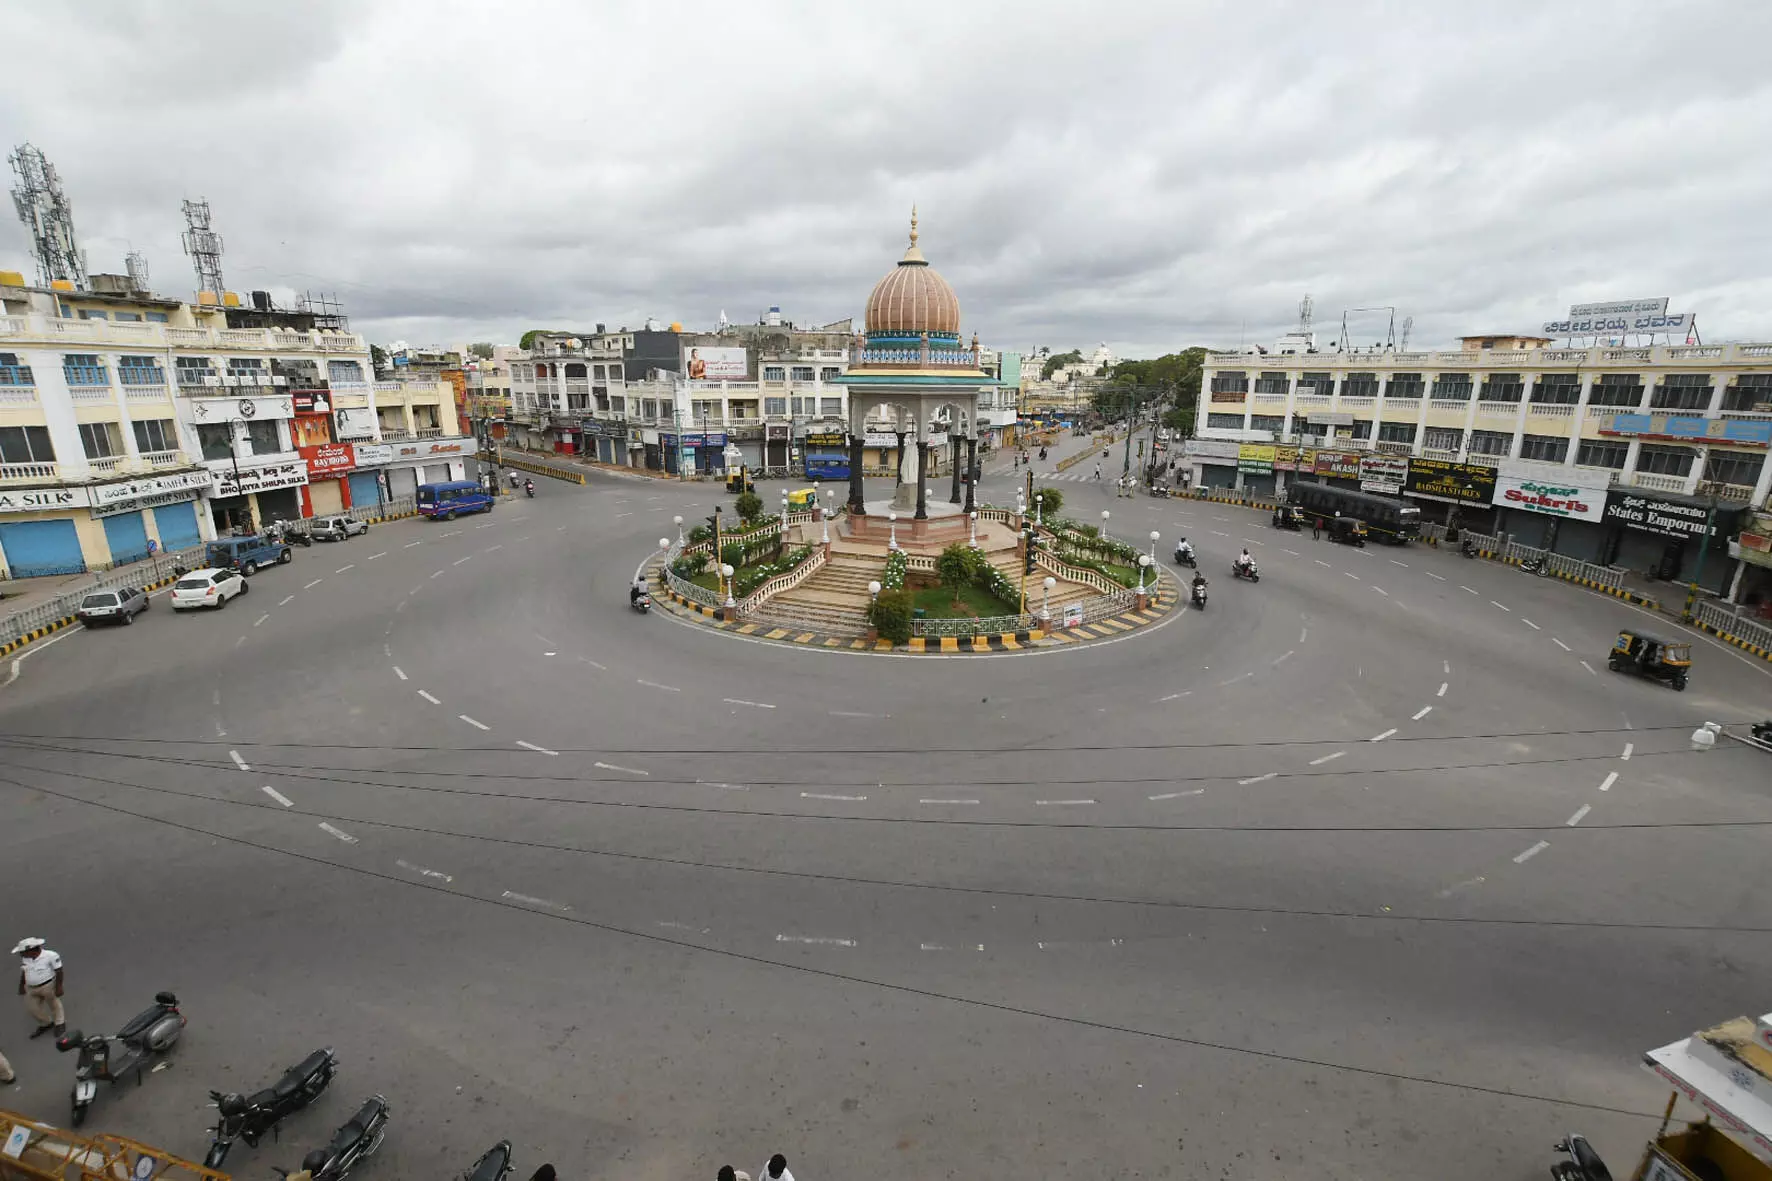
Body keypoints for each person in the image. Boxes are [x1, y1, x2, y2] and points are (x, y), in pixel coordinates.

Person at [14, 938, 64, 1038]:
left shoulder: (51, 955)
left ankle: (60, 1024)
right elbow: (24, 971)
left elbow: (59, 971)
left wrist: (59, 987)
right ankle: (46, 1023)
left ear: (31, 950)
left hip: (48, 985)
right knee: (32, 1008)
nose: (21, 954)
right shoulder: (26, 958)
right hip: (31, 988)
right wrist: (21, 985)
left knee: (54, 1005)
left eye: (22, 952)